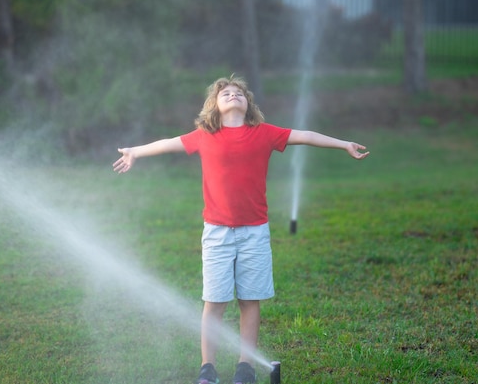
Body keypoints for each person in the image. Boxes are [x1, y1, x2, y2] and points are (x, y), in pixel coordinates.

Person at [113, 75, 369, 384]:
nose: (233, 95)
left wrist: (343, 144)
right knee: (215, 302)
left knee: (250, 300)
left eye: (239, 93)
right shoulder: (204, 135)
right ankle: (207, 369)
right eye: (226, 93)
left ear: (248, 104)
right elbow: (168, 143)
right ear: (215, 106)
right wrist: (136, 151)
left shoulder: (264, 133)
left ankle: (244, 367)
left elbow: (305, 135)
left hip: (254, 233)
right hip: (217, 234)